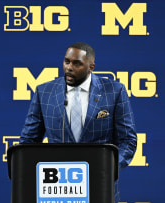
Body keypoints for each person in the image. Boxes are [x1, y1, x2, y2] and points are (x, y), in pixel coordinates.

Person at [20, 42, 137, 201]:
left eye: (77, 63)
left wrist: (109, 168)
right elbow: (28, 142)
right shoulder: (44, 91)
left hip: (100, 187)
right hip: (55, 189)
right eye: (67, 61)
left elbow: (127, 140)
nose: (69, 67)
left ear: (91, 67)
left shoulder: (114, 91)